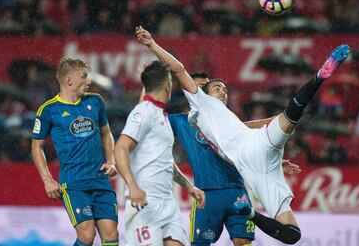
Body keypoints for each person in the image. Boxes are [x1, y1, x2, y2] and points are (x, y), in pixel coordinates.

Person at [135, 25, 350, 245]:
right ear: (205, 92)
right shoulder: (202, 102)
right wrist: (152, 44)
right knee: (291, 234)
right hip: (248, 168)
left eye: (225, 89)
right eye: (217, 87)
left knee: (290, 115)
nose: (223, 91)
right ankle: (251, 214)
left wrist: (277, 161)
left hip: (259, 149)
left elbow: (250, 127)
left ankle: (320, 76)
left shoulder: (232, 119)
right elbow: (179, 69)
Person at [169, 72, 301, 246]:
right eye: (198, 87)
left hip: (237, 191)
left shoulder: (227, 119)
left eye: (204, 88)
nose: (200, 91)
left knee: (243, 241)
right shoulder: (180, 122)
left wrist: (270, 160)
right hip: (206, 194)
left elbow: (249, 135)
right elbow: (153, 127)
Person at [114, 60, 205, 246]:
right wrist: (132, 187)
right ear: (167, 85)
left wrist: (188, 186)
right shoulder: (143, 112)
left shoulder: (159, 115)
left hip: (167, 202)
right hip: (144, 202)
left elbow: (165, 161)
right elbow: (121, 148)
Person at [31, 58, 119, 246]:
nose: (89, 81)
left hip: (100, 179)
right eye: (84, 76)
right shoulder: (49, 110)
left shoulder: (95, 101)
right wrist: (47, 179)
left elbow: (106, 133)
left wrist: (111, 160)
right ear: (69, 80)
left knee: (111, 234)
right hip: (73, 183)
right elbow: (36, 147)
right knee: (87, 234)